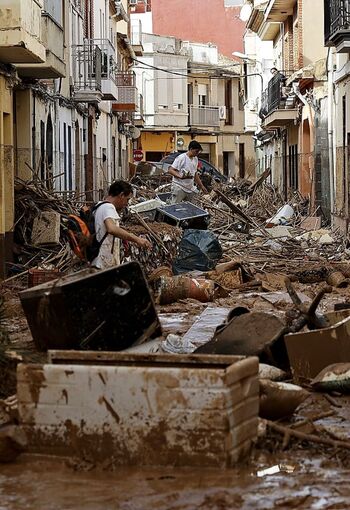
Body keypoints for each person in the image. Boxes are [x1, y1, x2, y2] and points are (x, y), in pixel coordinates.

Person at [92, 180, 152, 270]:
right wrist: (136, 239)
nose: (127, 203)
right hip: (101, 262)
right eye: (127, 199)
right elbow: (111, 229)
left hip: (98, 260)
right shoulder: (108, 207)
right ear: (121, 195)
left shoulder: (99, 205)